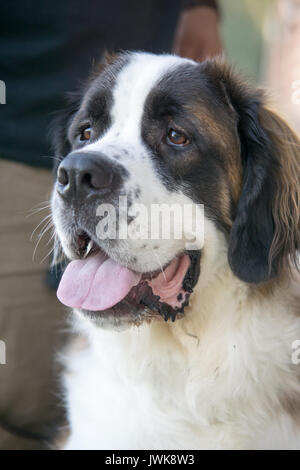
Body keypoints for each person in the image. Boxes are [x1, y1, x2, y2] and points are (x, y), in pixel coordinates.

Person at [0, 0, 222, 449]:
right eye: (86, 135)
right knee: (19, 406)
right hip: (15, 148)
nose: (86, 159)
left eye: (176, 136)